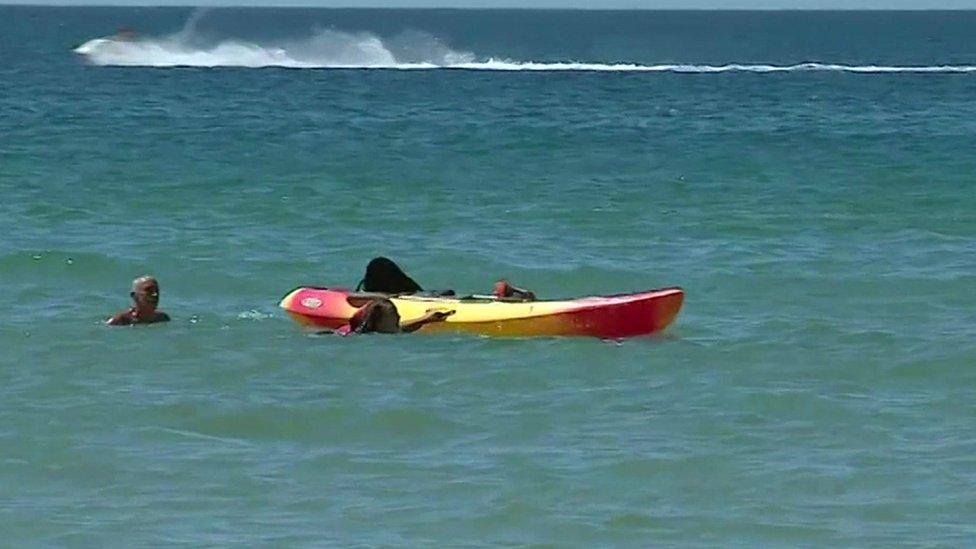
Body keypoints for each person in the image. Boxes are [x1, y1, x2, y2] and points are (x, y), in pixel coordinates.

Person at [335, 298, 453, 335]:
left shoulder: (382, 329)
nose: (400, 317)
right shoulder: (370, 339)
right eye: (395, 316)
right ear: (378, 323)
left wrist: (426, 319)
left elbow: (399, 327)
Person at [106, 275, 170, 326]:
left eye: (156, 291)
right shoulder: (120, 320)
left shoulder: (162, 318)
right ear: (135, 296)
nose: (154, 295)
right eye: (149, 291)